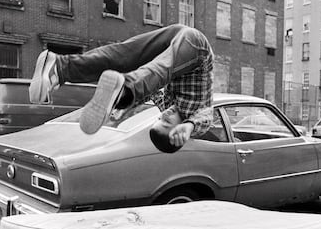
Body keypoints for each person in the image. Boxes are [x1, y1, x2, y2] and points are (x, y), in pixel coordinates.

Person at [29, 24, 214, 153]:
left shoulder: (166, 106)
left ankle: (60, 67)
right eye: (167, 122)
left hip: (174, 35)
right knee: (161, 70)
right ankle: (124, 91)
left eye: (160, 119)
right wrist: (189, 128)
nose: (165, 115)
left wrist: (122, 109)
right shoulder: (196, 115)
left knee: (122, 57)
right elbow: (205, 118)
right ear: (180, 128)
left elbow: (151, 92)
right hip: (197, 48)